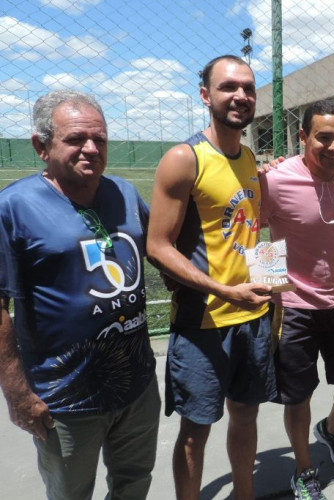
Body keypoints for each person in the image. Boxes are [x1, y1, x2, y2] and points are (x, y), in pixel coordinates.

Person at [0, 90, 159, 499]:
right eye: (75, 139)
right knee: (70, 493)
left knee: (135, 483)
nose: (91, 148)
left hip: (137, 383)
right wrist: (16, 392)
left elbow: (163, 249)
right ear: (41, 146)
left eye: (99, 139)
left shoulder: (124, 193)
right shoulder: (13, 208)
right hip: (65, 398)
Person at [146, 55, 276, 500]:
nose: (240, 96)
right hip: (203, 322)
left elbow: (246, 231)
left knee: (246, 415)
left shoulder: (250, 158)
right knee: (195, 430)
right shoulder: (184, 158)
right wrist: (223, 290)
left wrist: (265, 283)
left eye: (248, 88)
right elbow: (157, 246)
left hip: (252, 316)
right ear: (205, 95)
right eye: (228, 87)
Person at [261, 100, 334, 500]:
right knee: (299, 395)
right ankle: (304, 470)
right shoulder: (275, 181)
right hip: (293, 308)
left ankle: (332, 428)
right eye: (323, 138)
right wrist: (267, 284)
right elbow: (245, 230)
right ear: (303, 137)